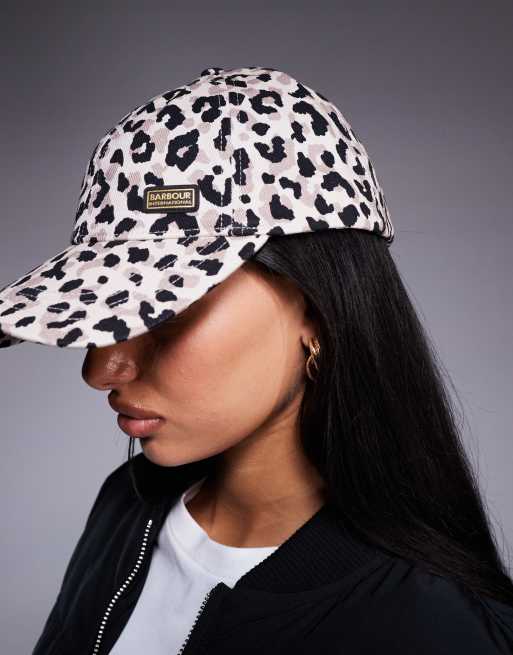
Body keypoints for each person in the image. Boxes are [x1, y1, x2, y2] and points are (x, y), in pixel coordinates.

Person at [1, 66, 512, 654]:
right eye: (103, 311)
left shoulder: (434, 627)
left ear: (316, 312)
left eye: (163, 309)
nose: (99, 370)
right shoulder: (127, 503)